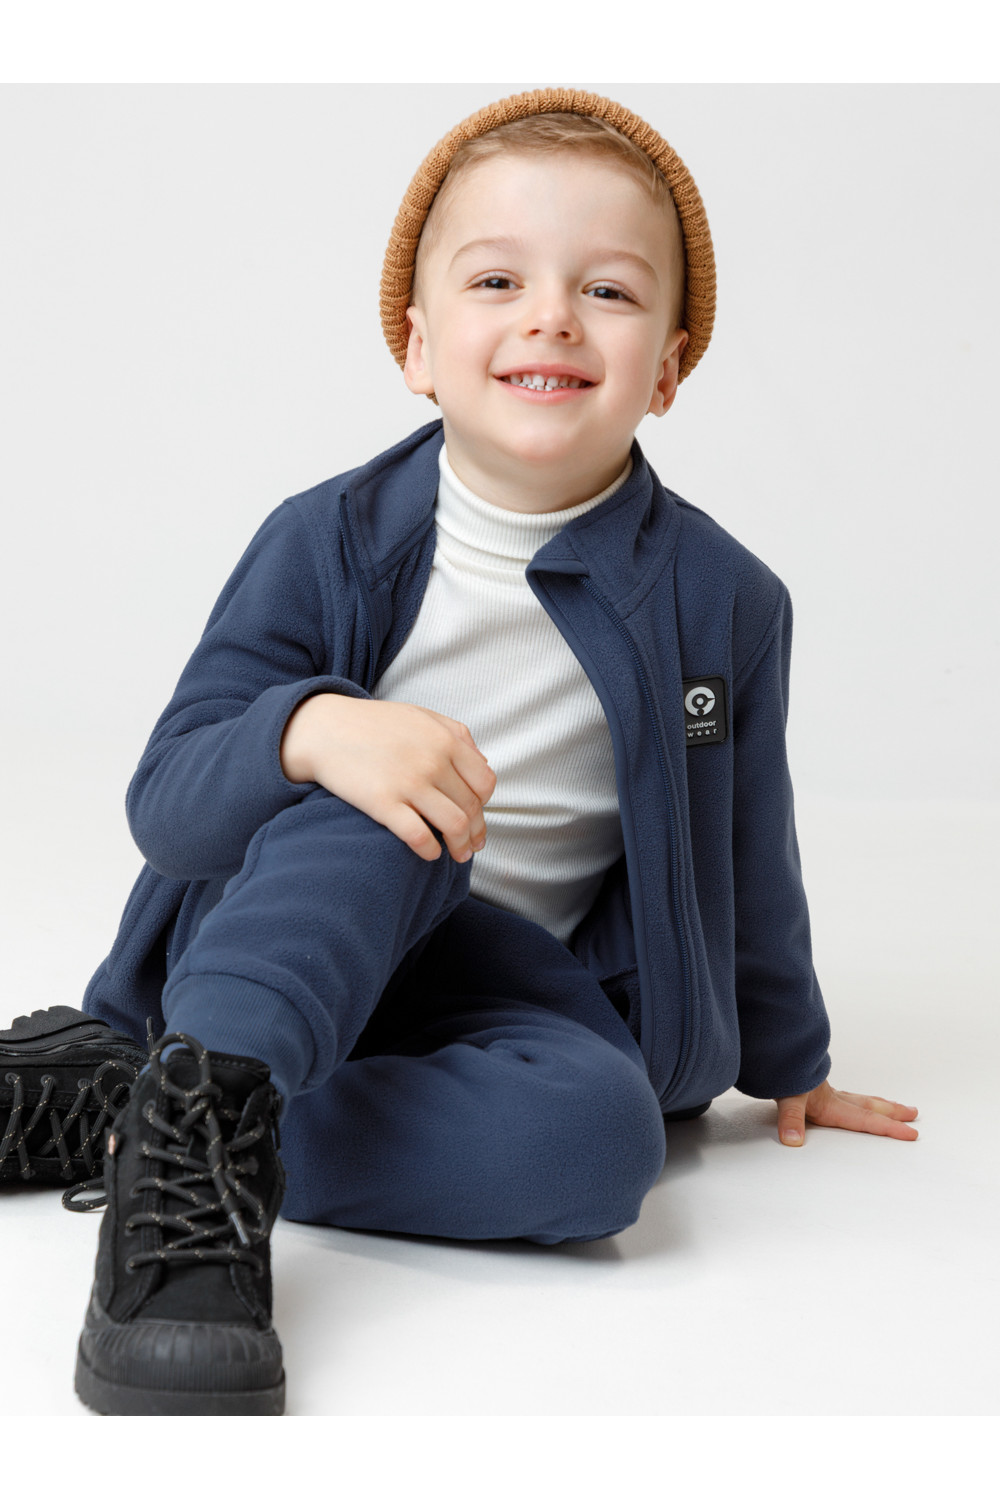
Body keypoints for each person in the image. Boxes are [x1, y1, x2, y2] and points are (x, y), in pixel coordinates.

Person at [0, 87, 919, 1417]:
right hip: (280, 935)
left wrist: (789, 1059)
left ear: (668, 367)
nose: (552, 316)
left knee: (605, 1150)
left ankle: (143, 1108)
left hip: (503, 984)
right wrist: (311, 731)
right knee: (397, 800)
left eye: (608, 291)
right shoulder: (324, 540)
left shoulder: (727, 602)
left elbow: (747, 851)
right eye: (499, 280)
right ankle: (200, 1153)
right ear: (419, 346)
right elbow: (171, 804)